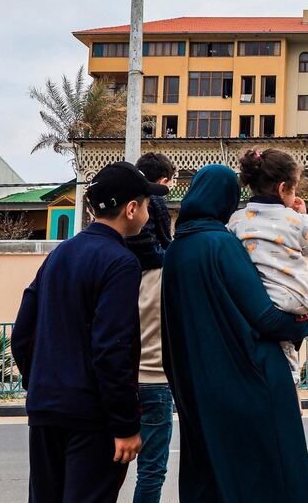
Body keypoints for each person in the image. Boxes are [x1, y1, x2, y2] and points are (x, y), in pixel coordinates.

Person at [12, 161, 168, 503]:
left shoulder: (60, 253)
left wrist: (40, 381)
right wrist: (126, 424)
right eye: (145, 204)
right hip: (90, 415)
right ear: (131, 209)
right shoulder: (120, 262)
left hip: (46, 409)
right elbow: (113, 349)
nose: (147, 212)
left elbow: (22, 332)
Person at [161, 164, 308, 502]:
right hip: (249, 380)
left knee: (213, 477)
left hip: (197, 386)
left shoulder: (175, 251)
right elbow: (266, 318)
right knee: (274, 476)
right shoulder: (222, 244)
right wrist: (303, 325)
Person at [228, 149, 308, 386]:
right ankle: (290, 392)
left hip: (257, 302)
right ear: (283, 189)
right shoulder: (293, 220)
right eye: (294, 189)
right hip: (291, 302)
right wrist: (304, 216)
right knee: (287, 360)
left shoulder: (237, 219)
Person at [125, 152, 176, 503]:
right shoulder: (170, 276)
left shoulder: (117, 269)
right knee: (151, 471)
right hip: (157, 382)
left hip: (119, 381)